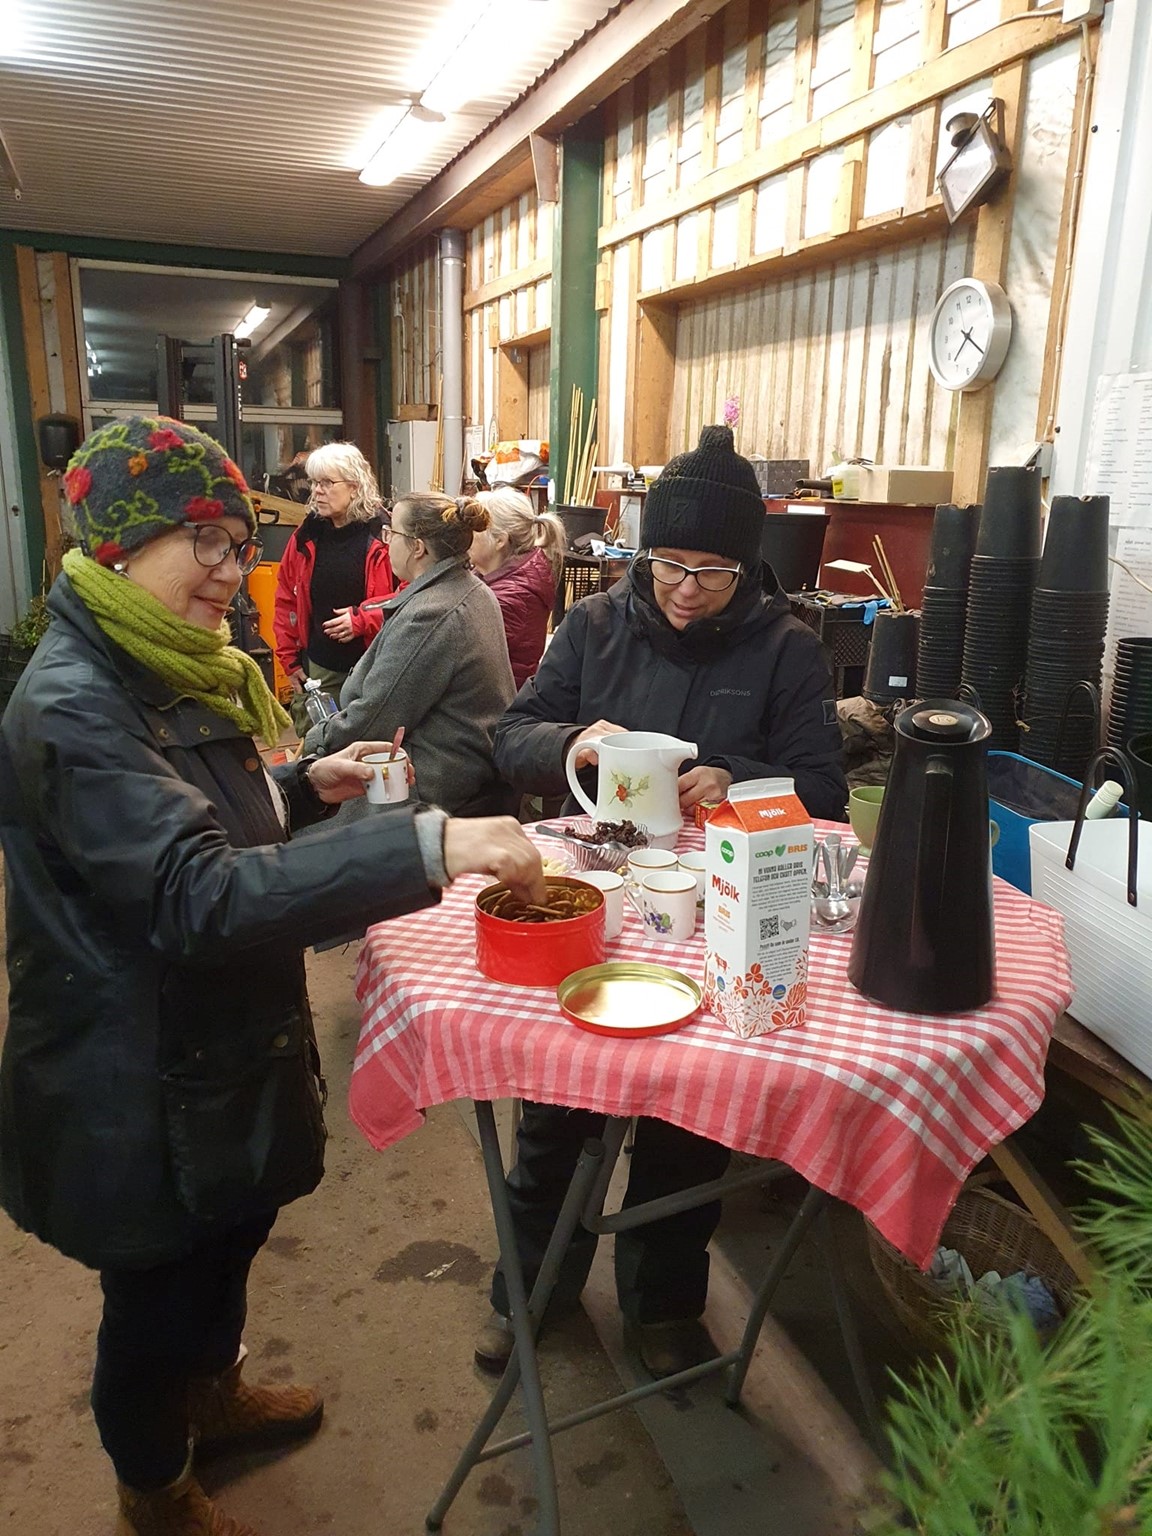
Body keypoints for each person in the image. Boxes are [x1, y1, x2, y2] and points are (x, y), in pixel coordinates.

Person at [0, 416, 544, 1536]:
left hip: (209, 1046)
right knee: (155, 1293)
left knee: (228, 1236)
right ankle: (154, 1485)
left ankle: (216, 1392)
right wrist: (424, 846)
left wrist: (301, 786)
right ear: (117, 546)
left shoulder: (164, 660)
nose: (227, 567)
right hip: (132, 1067)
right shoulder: (75, 704)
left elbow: (200, 817)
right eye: (201, 538)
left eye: (237, 540)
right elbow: (191, 892)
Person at [478, 424, 846, 1381]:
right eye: (669, 564)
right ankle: (532, 1292)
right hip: (593, 900)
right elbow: (510, 736)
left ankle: (665, 1306)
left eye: (714, 572)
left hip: (716, 912)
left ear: (747, 568)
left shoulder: (787, 650)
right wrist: (572, 746)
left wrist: (737, 776)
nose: (686, 589)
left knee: (691, 1126)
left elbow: (826, 789)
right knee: (558, 1112)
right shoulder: (595, 625)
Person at [303, 492, 517, 817]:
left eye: (391, 532)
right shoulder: (472, 589)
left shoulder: (431, 613)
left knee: (303, 828)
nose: (386, 541)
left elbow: (375, 717)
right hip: (459, 773)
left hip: (427, 787)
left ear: (418, 547)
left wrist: (314, 745)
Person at [272, 441, 394, 732]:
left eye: (327, 483)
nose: (317, 491)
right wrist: (289, 660)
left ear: (354, 486)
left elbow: (409, 597)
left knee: (372, 747)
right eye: (315, 483)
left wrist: (362, 619)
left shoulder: (386, 535)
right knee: (318, 745)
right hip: (320, 669)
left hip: (376, 669)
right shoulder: (306, 536)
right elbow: (286, 600)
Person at [469, 487, 566, 688]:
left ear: (500, 540)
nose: (466, 536)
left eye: (475, 529)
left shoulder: (510, 598)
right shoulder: (498, 574)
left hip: (497, 701)